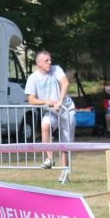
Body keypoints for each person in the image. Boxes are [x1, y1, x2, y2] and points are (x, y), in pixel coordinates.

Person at [24, 50, 75, 182]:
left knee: (66, 142)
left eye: (50, 60)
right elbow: (31, 100)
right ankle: (50, 158)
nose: (50, 62)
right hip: (51, 111)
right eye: (46, 60)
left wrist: (60, 100)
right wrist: (46, 102)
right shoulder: (33, 78)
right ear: (39, 63)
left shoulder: (56, 69)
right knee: (45, 126)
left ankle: (64, 174)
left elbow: (65, 83)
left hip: (66, 109)